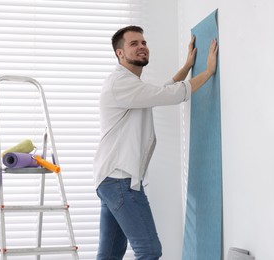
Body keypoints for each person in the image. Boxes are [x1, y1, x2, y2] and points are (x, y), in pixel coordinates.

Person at [93, 25, 218, 260]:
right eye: (133, 44)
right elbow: (168, 95)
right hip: (120, 180)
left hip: (111, 179)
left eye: (143, 42)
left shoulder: (130, 84)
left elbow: (160, 90)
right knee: (149, 251)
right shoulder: (120, 84)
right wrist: (209, 71)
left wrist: (187, 67)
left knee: (109, 255)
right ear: (120, 53)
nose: (142, 47)